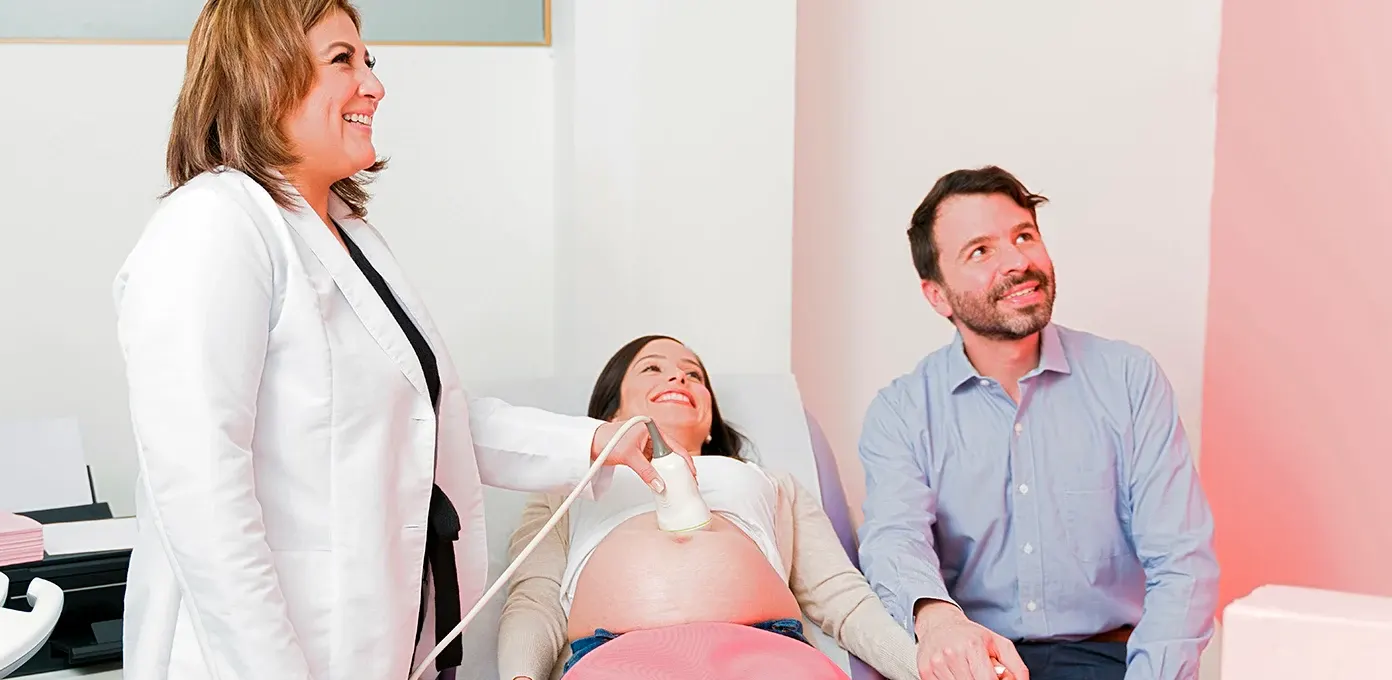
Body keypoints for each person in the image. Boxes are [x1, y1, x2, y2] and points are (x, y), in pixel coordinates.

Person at [111, 2, 676, 679]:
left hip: (376, 642)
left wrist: (590, 441)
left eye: (368, 62)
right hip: (262, 654)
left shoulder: (345, 237)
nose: (374, 85)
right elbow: (201, 498)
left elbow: (423, 422)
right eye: (342, 60)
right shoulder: (213, 226)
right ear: (262, 73)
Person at [854, 166, 1220, 680]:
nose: (1018, 261)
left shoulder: (1128, 378)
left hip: (1114, 659)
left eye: (1024, 236)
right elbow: (895, 538)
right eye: (980, 251)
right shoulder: (901, 412)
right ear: (937, 295)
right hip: (982, 660)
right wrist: (936, 620)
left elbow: (1182, 560)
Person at [498, 335, 922, 680]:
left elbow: (842, 599)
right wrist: (521, 677)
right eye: (653, 368)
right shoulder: (568, 487)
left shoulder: (770, 484)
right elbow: (534, 602)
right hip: (616, 659)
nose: (679, 378)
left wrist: (926, 669)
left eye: (693, 375)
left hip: (769, 656)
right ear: (611, 409)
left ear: (710, 416)